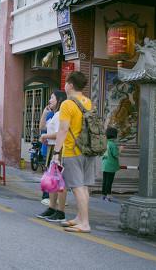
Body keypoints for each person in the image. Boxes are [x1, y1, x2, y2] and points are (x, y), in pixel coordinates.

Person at [52, 71, 94, 234]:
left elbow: (63, 130)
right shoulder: (88, 102)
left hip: (73, 150)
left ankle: (84, 223)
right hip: (89, 149)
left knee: (77, 186)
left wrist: (56, 152)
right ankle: (79, 217)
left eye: (66, 82)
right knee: (83, 187)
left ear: (70, 85)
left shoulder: (67, 104)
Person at [36, 90, 68, 222]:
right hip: (52, 148)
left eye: (52, 98)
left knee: (60, 181)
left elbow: (60, 133)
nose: (50, 100)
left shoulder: (61, 114)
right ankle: (52, 208)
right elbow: (42, 127)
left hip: (58, 149)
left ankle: (60, 211)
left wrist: (45, 136)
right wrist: (44, 113)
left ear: (59, 100)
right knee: (53, 180)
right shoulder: (54, 114)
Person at [102, 127, 123, 202]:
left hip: (105, 164)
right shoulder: (113, 144)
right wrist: (120, 149)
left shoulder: (105, 143)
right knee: (109, 181)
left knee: (105, 180)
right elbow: (116, 155)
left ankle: (104, 194)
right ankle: (108, 195)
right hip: (111, 165)